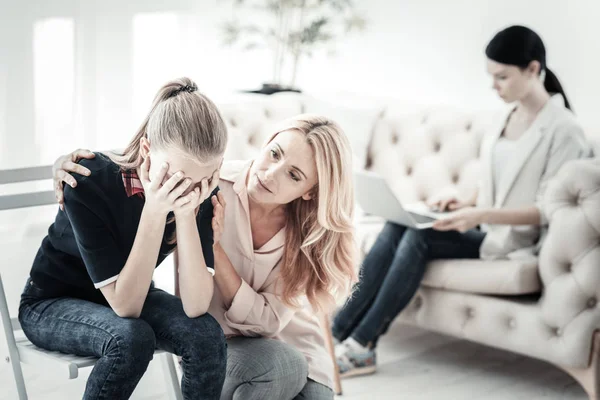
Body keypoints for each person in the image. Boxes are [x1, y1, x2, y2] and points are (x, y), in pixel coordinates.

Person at [330, 25, 594, 378]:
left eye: (502, 77)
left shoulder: (565, 130)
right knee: (401, 223)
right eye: (491, 77)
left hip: (514, 240)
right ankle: (334, 334)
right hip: (482, 224)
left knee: (419, 236)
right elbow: (495, 182)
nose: (494, 86)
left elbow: (549, 210)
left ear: (533, 70)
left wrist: (479, 214)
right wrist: (462, 199)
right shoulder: (506, 115)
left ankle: (362, 344)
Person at [52, 114, 358, 399]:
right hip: (222, 341)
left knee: (311, 387)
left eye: (293, 175)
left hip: (293, 340)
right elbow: (152, 156)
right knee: (283, 368)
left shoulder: (308, 232)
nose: (270, 173)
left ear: (310, 192)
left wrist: (215, 248)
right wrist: (72, 162)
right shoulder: (210, 184)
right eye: (275, 154)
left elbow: (266, 324)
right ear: (267, 142)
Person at [19, 77, 229, 399]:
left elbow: (196, 305)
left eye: (203, 180)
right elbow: (127, 307)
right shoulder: (87, 180)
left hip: (132, 294)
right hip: (52, 303)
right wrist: (156, 211)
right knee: (131, 338)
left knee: (206, 334)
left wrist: (187, 214)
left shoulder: (198, 190)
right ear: (147, 150)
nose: (188, 190)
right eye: (178, 179)